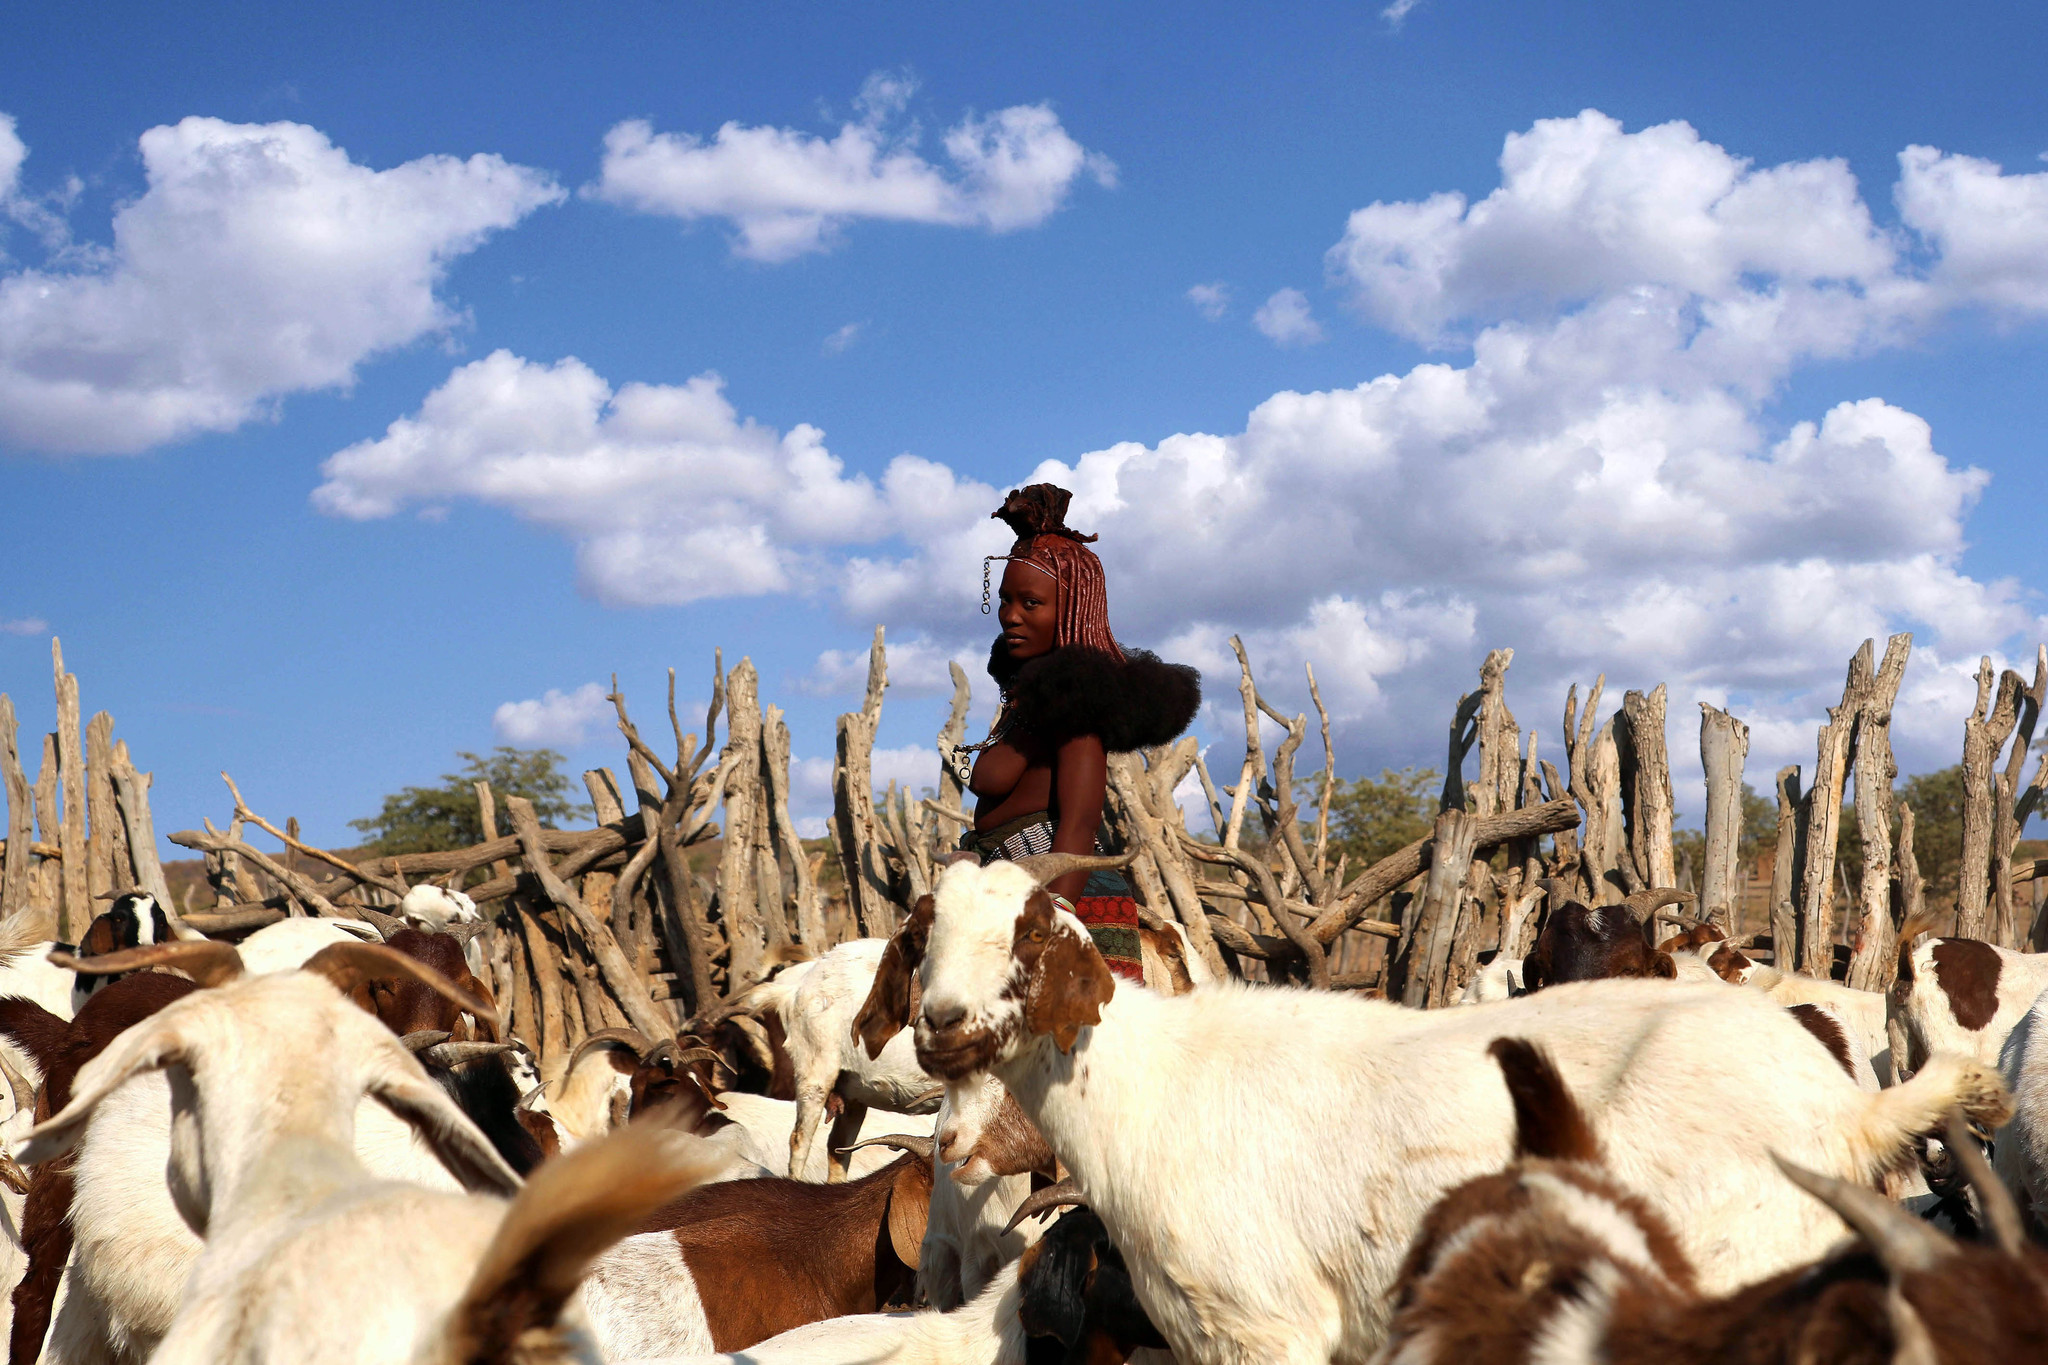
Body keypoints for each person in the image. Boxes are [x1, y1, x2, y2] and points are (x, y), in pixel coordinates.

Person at [957, 484, 1201, 982]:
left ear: (1070, 610)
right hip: (1002, 880)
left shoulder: (1076, 715)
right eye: (1005, 600)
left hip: (1058, 889)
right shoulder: (1029, 705)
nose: (1010, 616)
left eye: (1030, 603)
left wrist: (1054, 913)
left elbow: (1079, 826)